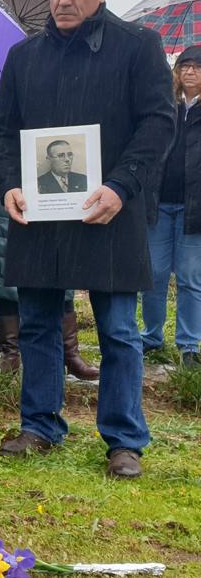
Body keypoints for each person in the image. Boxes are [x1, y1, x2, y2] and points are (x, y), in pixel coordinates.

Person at [0, 0, 175, 479]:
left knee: (118, 330)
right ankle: (40, 425)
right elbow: (1, 134)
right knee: (40, 324)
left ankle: (124, 440)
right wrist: (9, 186)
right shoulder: (24, 57)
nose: (63, 0)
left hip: (110, 213)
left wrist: (121, 186)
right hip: (40, 214)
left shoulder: (139, 47)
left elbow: (159, 124)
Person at [0, 95, 99, 378]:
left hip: (55, 202)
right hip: (2, 199)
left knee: (62, 274)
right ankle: (11, 353)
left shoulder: (67, 97)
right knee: (4, 276)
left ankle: (70, 353)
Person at [140, 45, 201, 371]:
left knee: (191, 278)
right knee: (155, 274)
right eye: (185, 66)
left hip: (195, 210)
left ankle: (189, 345)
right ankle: (151, 338)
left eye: (196, 67)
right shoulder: (166, 108)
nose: (190, 72)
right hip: (159, 204)